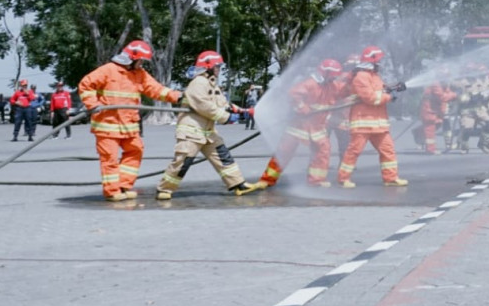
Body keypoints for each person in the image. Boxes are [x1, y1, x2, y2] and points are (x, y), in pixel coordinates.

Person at [78, 40, 183, 202]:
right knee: (110, 159)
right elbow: (85, 85)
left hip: (129, 127)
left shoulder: (139, 74)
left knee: (136, 150)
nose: (142, 64)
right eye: (141, 60)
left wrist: (178, 96)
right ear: (132, 58)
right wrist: (93, 104)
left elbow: (156, 89)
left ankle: (123, 186)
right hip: (107, 126)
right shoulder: (108, 70)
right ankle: (112, 192)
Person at [156, 51, 259, 200]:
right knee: (182, 163)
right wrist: (227, 117)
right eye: (217, 66)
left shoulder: (211, 83)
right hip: (192, 131)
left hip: (207, 131)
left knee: (224, 157)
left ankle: (238, 185)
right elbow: (204, 106)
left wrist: (238, 110)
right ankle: (164, 190)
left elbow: (221, 103)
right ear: (208, 66)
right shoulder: (198, 83)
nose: (219, 69)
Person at [255, 59, 343, 188]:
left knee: (323, 151)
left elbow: (344, 89)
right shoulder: (310, 84)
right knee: (284, 152)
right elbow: (293, 94)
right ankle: (267, 180)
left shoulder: (331, 85)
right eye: (333, 75)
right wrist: (303, 108)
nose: (334, 78)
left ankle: (316, 180)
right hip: (299, 126)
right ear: (326, 73)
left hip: (317, 127)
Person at [336, 46, 408, 188]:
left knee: (388, 150)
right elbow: (371, 98)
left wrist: (394, 87)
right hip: (363, 122)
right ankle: (343, 178)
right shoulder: (361, 76)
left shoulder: (374, 76)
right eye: (379, 59)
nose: (381, 62)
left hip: (378, 124)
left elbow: (380, 90)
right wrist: (389, 97)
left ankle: (391, 178)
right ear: (372, 60)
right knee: (354, 151)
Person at [415, 68, 456, 155]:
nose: (447, 79)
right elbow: (442, 97)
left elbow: (448, 93)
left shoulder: (444, 85)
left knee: (437, 124)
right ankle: (431, 149)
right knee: (430, 129)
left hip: (436, 110)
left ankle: (418, 132)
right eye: (446, 77)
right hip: (429, 110)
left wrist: (455, 95)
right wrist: (455, 95)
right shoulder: (435, 85)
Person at [457, 65, 489, 154]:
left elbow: (487, 92)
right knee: (468, 128)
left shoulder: (479, 82)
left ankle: (483, 144)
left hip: (480, 109)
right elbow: (459, 97)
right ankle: (464, 146)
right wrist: (468, 98)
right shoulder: (462, 83)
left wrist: (487, 96)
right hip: (467, 110)